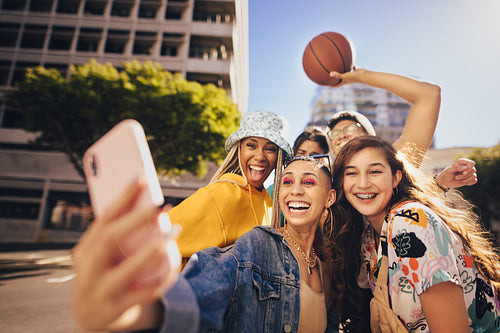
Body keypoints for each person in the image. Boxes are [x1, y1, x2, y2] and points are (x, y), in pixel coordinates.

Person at [72, 156, 338, 332]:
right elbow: (203, 289)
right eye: (288, 182)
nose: (296, 190)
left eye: (309, 182)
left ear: (330, 197)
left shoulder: (327, 271)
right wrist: (134, 313)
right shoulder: (259, 244)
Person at [326, 136, 500, 332]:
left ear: (395, 178)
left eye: (375, 171)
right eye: (352, 173)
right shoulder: (369, 237)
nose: (363, 183)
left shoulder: (409, 223)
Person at [167, 110, 292, 263]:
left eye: (270, 149)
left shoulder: (268, 202)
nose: (260, 156)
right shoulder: (222, 194)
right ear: (239, 149)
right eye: (251, 145)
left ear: (279, 155)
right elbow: (156, 239)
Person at [327, 68, 477, 190]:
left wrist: (362, 77)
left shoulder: (393, 161)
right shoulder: (327, 182)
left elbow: (429, 94)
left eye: (350, 129)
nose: (341, 135)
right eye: (334, 133)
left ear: (369, 137)